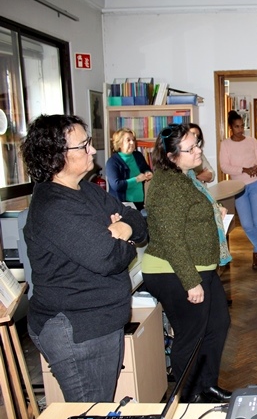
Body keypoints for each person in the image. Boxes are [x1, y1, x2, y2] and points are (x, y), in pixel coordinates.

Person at [21, 114, 147, 402]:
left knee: (101, 407)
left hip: (99, 321)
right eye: (84, 145)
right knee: (90, 411)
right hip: (76, 329)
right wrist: (120, 239)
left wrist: (121, 228)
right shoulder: (54, 207)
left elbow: (137, 221)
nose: (92, 151)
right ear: (56, 156)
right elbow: (108, 257)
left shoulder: (85, 189)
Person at [142, 123, 231, 403]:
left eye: (197, 144)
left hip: (199, 268)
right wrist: (190, 281)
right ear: (170, 156)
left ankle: (206, 386)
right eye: (190, 148)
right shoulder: (167, 185)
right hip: (176, 272)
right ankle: (189, 396)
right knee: (190, 336)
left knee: (217, 325)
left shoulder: (185, 177)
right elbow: (171, 239)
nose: (198, 150)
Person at [220, 110, 257, 270]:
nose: (240, 130)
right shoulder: (225, 144)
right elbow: (224, 166)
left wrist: (256, 167)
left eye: (242, 126)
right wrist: (244, 169)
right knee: (247, 224)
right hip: (238, 187)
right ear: (230, 128)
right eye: (237, 127)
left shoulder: (251, 141)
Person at [106, 127, 153, 209]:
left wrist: (148, 172)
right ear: (120, 143)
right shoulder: (112, 162)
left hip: (139, 202)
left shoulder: (138, 155)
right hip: (122, 204)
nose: (132, 142)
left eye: (133, 140)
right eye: (128, 140)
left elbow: (145, 168)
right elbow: (116, 185)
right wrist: (137, 179)